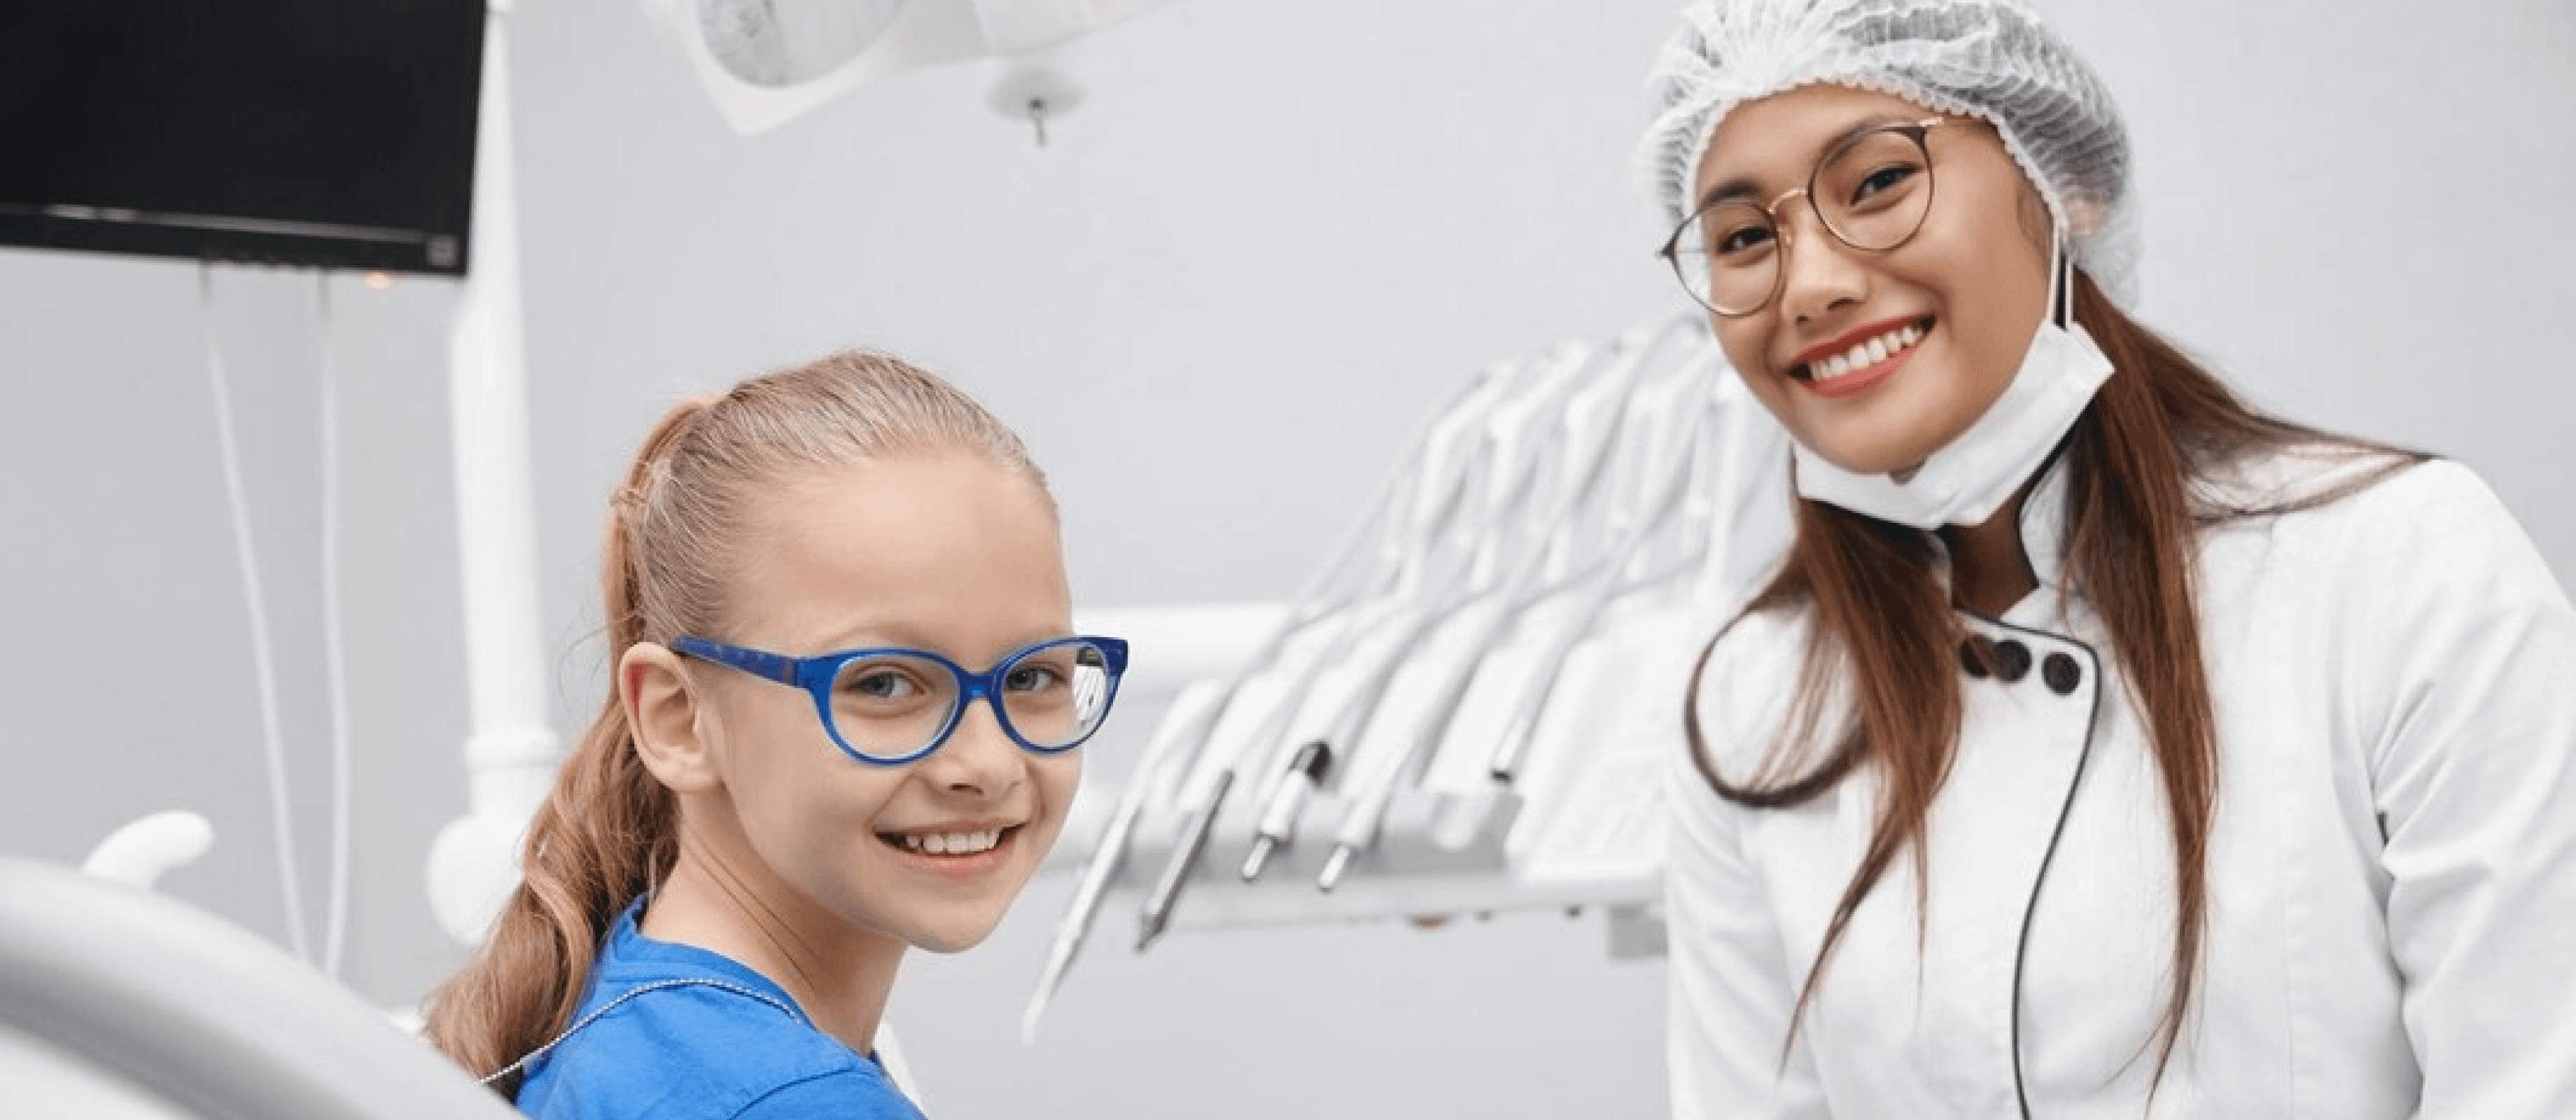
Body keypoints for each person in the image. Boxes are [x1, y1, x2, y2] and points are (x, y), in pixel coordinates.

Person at [1637, 1, 2576, 1116]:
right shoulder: (1754, 706)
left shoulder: (2400, 572)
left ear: (2063, 185)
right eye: (1746, 237)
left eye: (1879, 182)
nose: (1810, 285)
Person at [420, 351, 1128, 1118]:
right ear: (677, 718)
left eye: (1031, 678)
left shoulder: (628, 1018)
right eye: (883, 683)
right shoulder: (791, 1101)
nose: (987, 762)